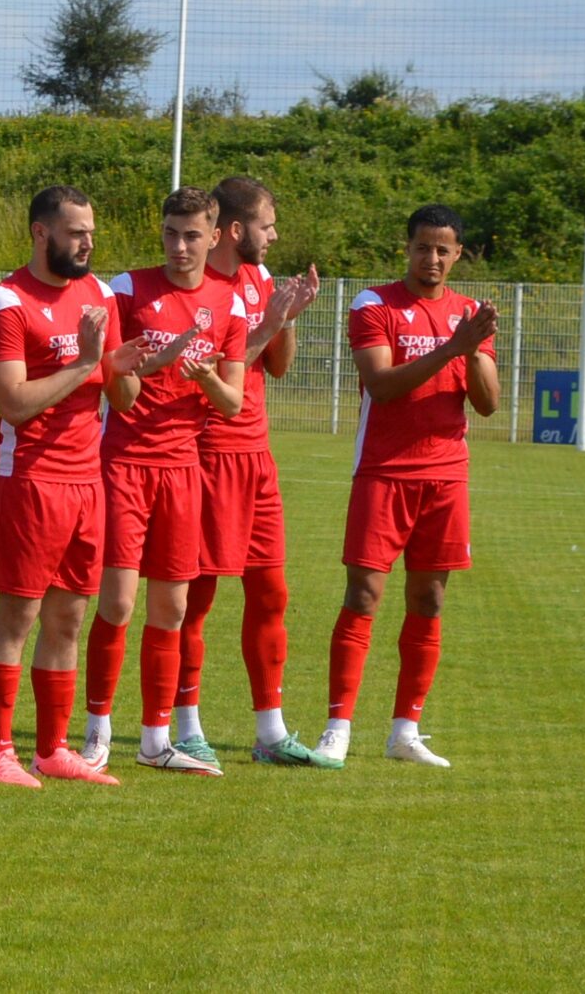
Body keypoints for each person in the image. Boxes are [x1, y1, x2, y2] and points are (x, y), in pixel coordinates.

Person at [0, 185, 160, 788]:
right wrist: (84, 363)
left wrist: (119, 370)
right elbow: (14, 402)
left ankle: (52, 749)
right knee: (19, 615)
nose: (86, 243)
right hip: (29, 479)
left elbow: (122, 399)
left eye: (91, 234)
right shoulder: (7, 301)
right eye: (76, 232)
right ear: (40, 232)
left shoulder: (99, 294)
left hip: (87, 481)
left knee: (69, 619)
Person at [317, 204, 498, 770]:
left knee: (429, 599)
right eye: (423, 247)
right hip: (384, 471)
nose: (432, 258)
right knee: (363, 595)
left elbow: (488, 404)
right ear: (408, 248)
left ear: (458, 254)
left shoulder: (469, 314)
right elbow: (382, 385)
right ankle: (337, 728)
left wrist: (472, 348)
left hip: (446, 476)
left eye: (443, 249)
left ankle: (405, 731)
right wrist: (452, 348)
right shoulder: (374, 303)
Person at [89, 187, 247, 777]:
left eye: (191, 236)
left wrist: (205, 377)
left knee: (172, 608)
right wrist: (151, 364)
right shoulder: (127, 290)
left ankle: (156, 740)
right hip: (124, 462)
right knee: (118, 601)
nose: (179, 247)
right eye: (170, 234)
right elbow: (116, 387)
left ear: (215, 237)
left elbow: (232, 403)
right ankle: (97, 732)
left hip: (183, 469)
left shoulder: (229, 302)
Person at [193, 176, 326, 766]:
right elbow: (214, 376)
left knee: (271, 592)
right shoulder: (198, 286)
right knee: (195, 598)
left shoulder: (259, 278)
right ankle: (186, 726)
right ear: (235, 229)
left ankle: (271, 733)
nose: (273, 237)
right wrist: (269, 323)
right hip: (207, 455)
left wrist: (286, 316)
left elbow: (278, 366)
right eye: (267, 226)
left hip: (257, 457)